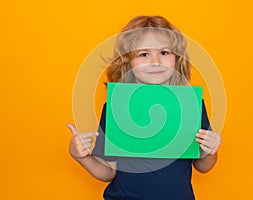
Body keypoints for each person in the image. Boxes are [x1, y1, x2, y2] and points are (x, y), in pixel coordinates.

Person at [67, 15, 222, 200]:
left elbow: (203, 166)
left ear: (177, 59)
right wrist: (81, 156)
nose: (155, 61)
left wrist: (210, 152)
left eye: (164, 52)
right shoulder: (116, 107)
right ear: (128, 61)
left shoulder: (190, 106)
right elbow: (108, 171)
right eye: (143, 54)